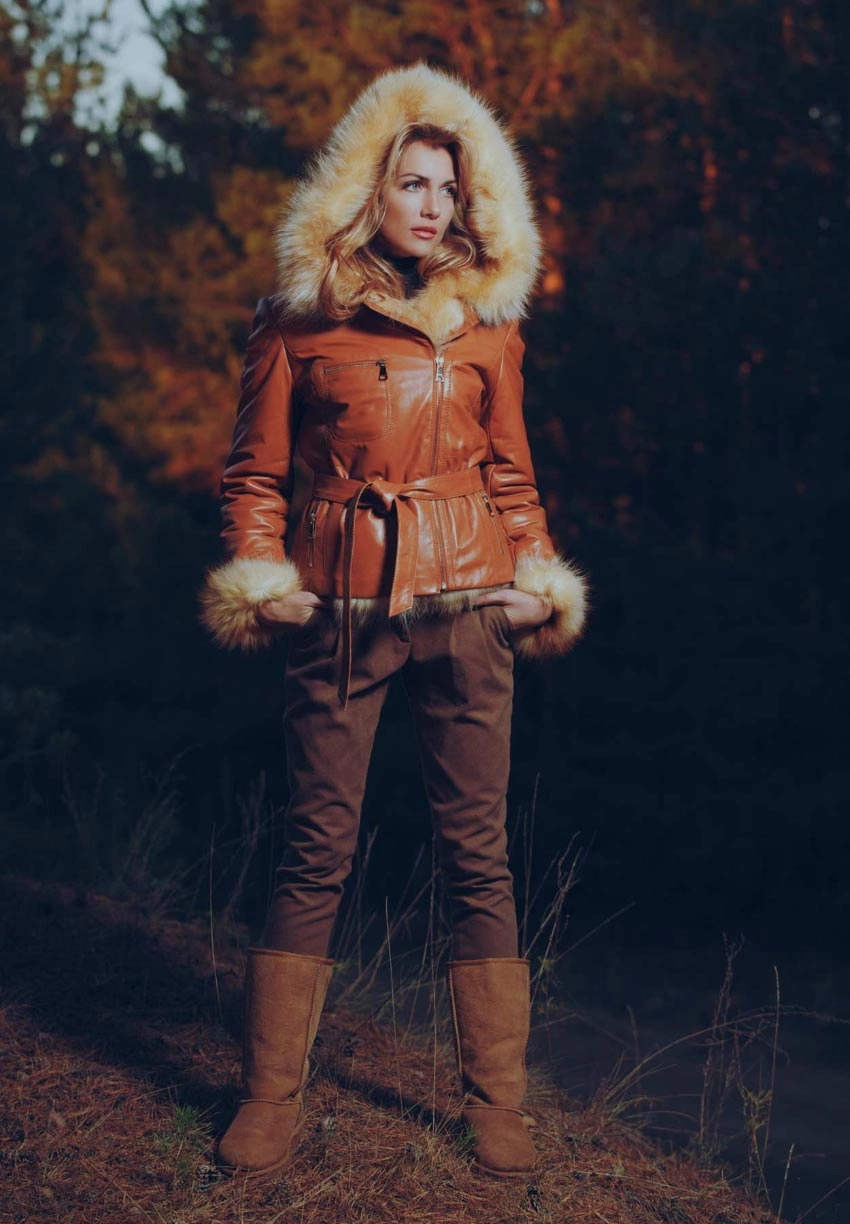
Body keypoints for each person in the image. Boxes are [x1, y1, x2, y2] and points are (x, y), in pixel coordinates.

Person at [200, 62, 587, 1183]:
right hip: (340, 608)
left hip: (471, 608)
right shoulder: (297, 322)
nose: (431, 204)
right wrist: (266, 579)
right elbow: (253, 475)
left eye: (448, 189)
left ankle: (495, 1105)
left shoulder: (487, 327)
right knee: (316, 844)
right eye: (412, 182)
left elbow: (511, 474)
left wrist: (536, 580)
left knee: (478, 853)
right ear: (368, 187)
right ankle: (269, 1096)